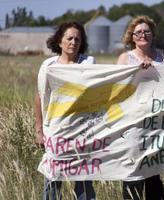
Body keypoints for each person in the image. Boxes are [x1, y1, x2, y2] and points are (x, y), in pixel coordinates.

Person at [34, 21, 96, 200]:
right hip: (56, 131)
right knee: (53, 181)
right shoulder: (48, 65)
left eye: (78, 39)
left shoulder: (89, 63)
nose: (73, 42)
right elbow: (39, 97)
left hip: (83, 132)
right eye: (69, 38)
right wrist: (39, 130)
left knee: (84, 182)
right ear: (59, 41)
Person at [117, 15, 164, 200]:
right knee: (132, 173)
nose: (143, 35)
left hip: (157, 125)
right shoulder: (125, 58)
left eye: (147, 31)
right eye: (138, 32)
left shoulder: (163, 57)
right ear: (132, 37)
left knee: (153, 174)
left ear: (153, 35)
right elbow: (117, 90)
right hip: (133, 125)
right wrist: (137, 73)